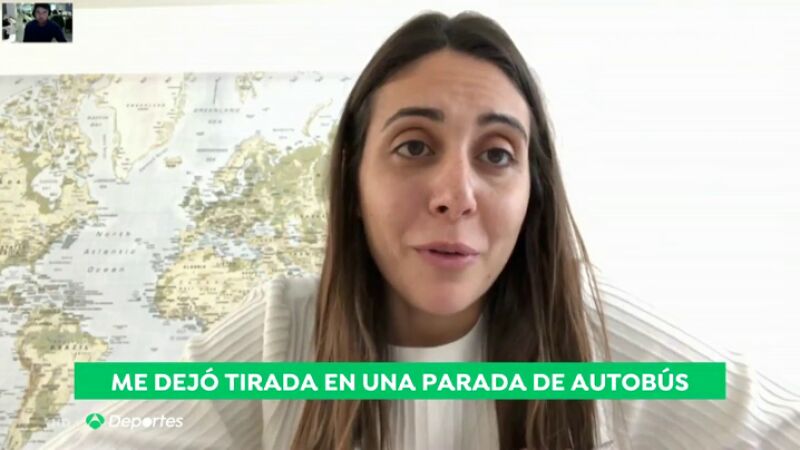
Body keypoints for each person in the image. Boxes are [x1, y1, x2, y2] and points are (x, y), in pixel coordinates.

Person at [42, 11, 799, 450]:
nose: (455, 195)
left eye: (497, 155)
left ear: (532, 192)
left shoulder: (596, 337)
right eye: (413, 147)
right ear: (353, 179)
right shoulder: (281, 335)